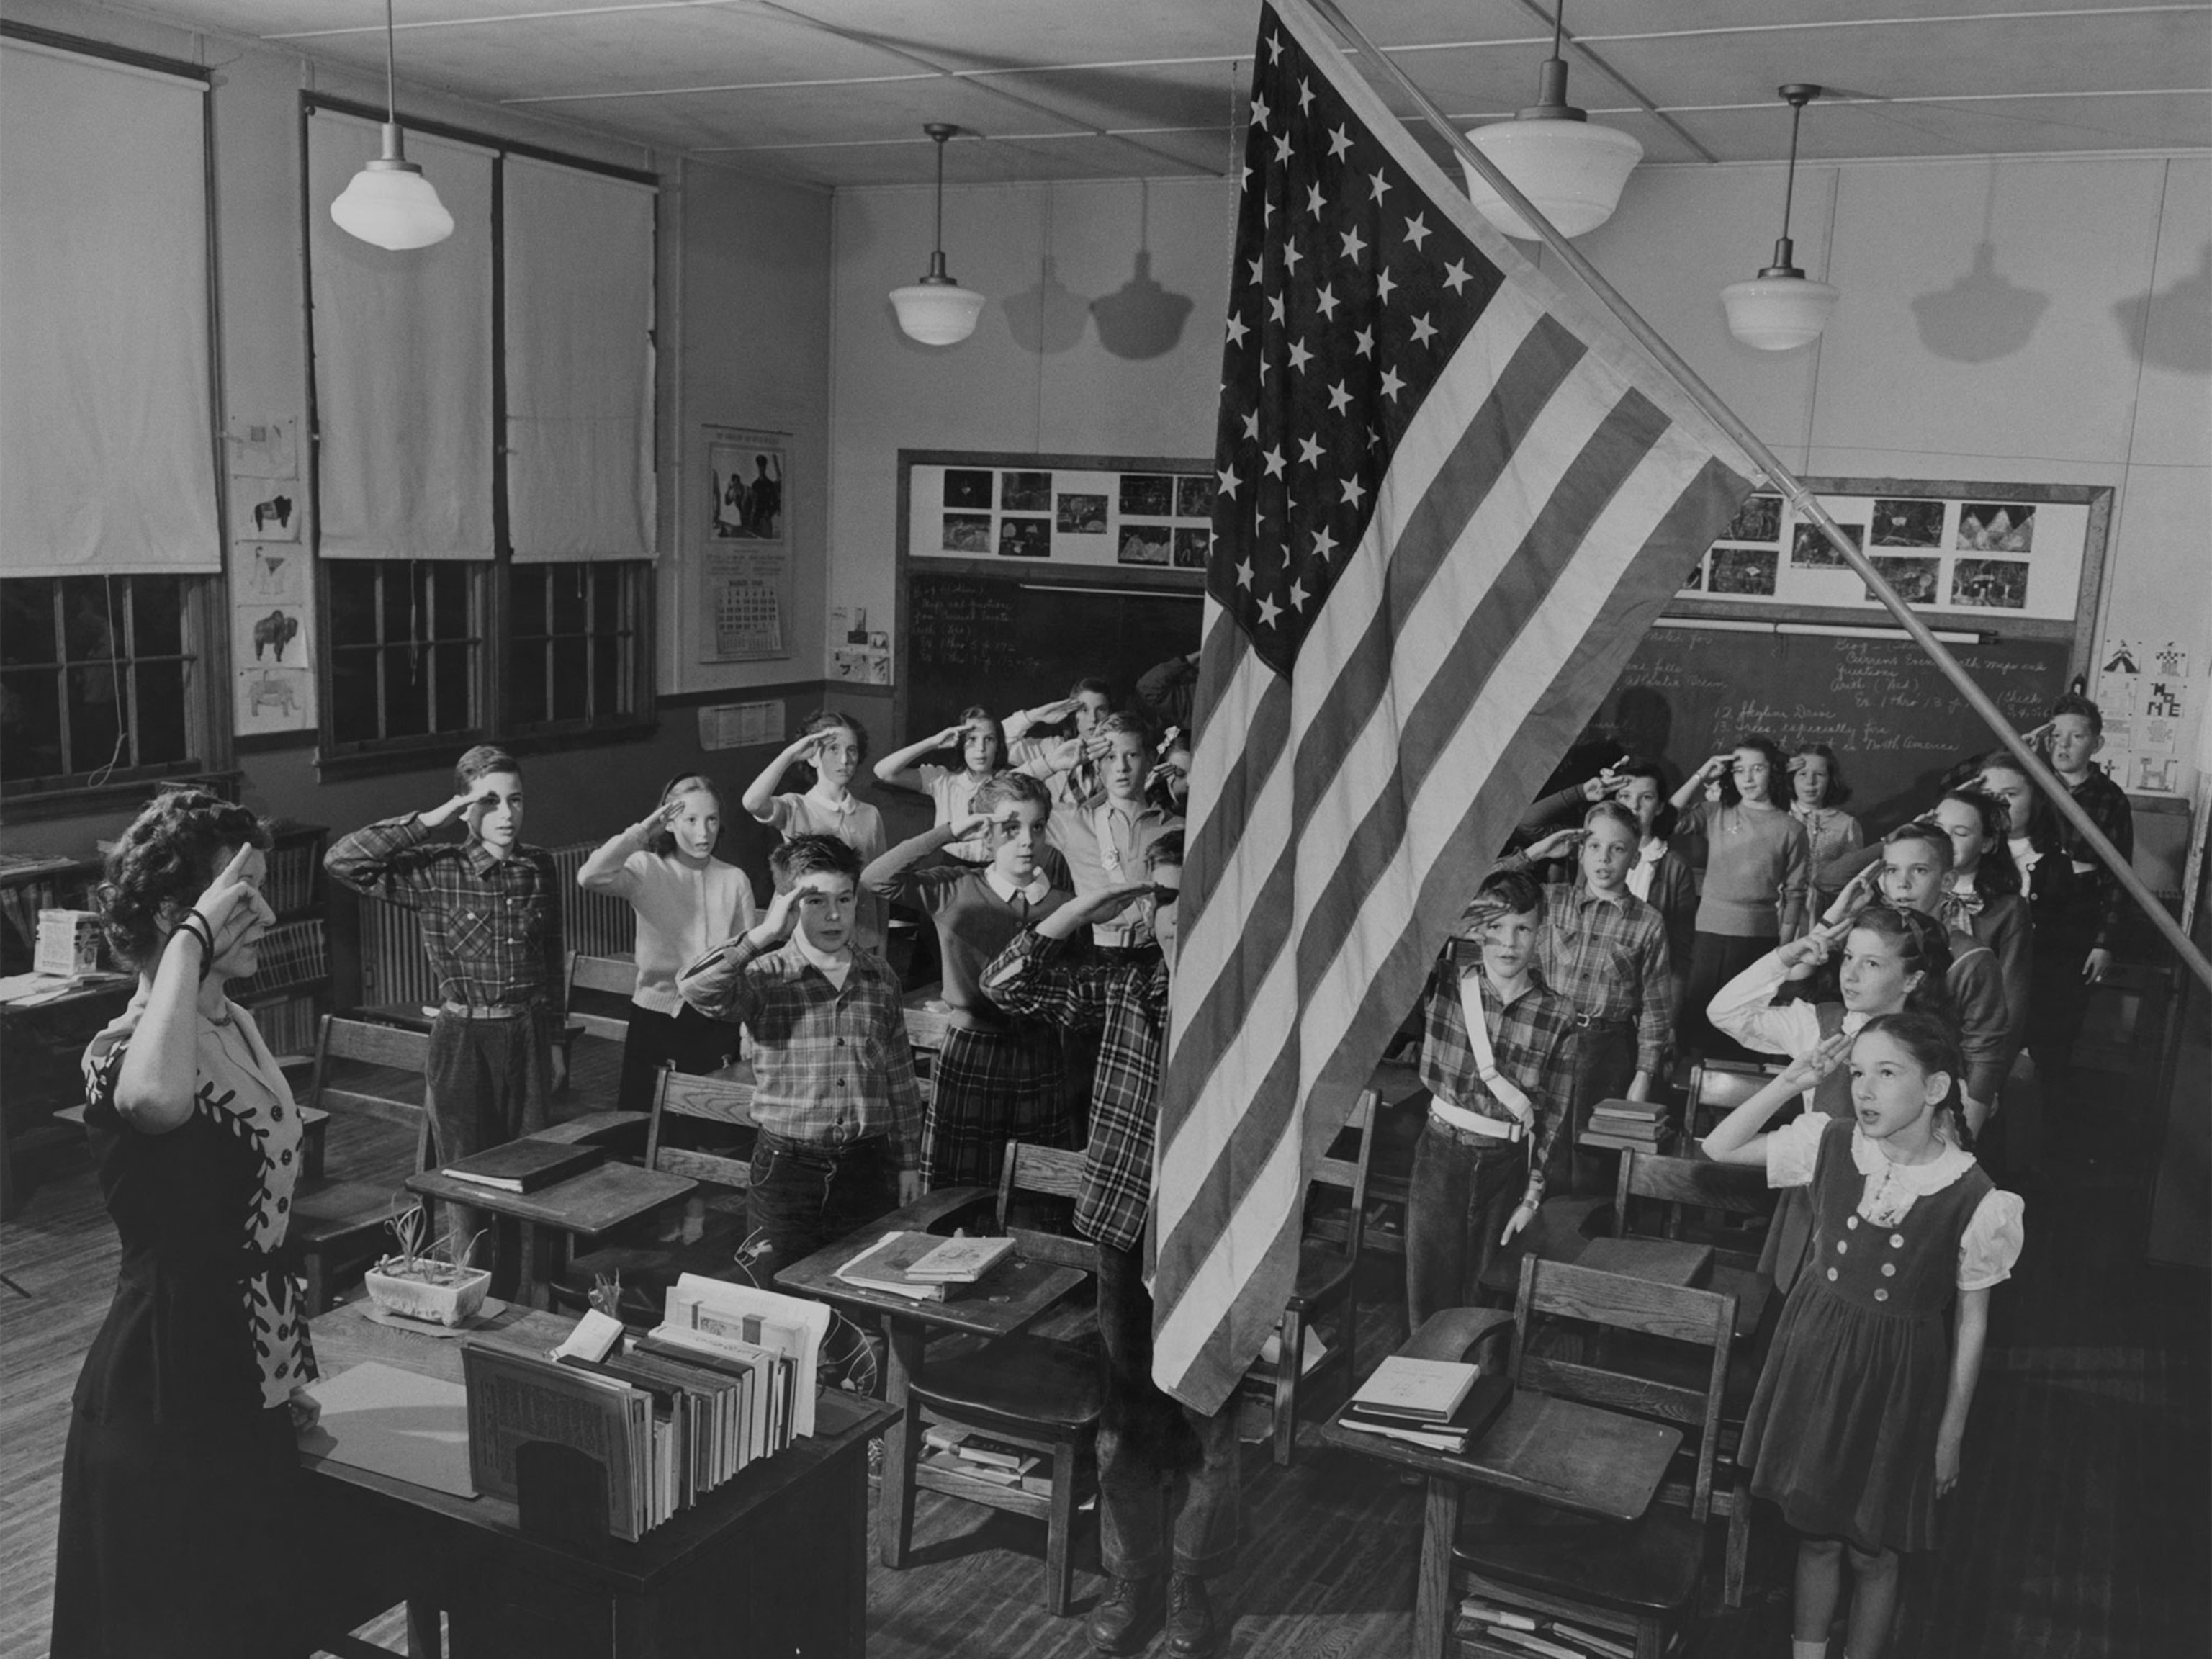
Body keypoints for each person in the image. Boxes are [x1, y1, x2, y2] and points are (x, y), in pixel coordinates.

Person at [55, 792, 319, 1659]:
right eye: (243, 896)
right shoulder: (124, 1048)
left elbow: (263, 1240)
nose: (269, 916)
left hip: (243, 1375)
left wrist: (288, 1376)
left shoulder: (235, 1021)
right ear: (180, 915)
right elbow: (158, 1102)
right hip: (163, 1390)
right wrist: (193, 941)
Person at [982, 832, 1238, 1659]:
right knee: (1126, 1414)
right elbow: (1006, 983)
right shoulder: (1122, 985)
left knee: (1207, 1419)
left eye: (1191, 898)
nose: (1175, 916)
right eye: (1162, 899)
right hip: (1129, 1226)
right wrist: (1091, 902)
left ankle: (1188, 1586)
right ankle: (1134, 1580)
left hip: (1215, 1233)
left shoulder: (1253, 1000)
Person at [1702, 1012, 2023, 1659]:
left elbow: (1973, 1322)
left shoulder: (1977, 1196)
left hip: (1898, 1381)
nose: (1864, 1090)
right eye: (1857, 1074)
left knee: (1873, 1551)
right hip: (1814, 1360)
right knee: (1815, 1536)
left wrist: (1950, 1435)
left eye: (1886, 1073)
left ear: (1935, 1089)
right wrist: (1792, 1080)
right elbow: (1719, 1147)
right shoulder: (1830, 1142)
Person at [325, 746, 564, 1290]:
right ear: (466, 808)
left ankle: (527, 1296)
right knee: (465, 1177)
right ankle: (471, 1290)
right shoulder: (435, 870)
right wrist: (431, 819)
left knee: (531, 1171)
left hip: (525, 1033)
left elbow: (551, 959)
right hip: (461, 1039)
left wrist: (552, 1044)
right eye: (489, 802)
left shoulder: (539, 866)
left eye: (515, 800)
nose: (505, 814)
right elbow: (342, 860)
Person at [675, 836, 923, 1285]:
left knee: (860, 1292)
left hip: (867, 1169)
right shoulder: (766, 976)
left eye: (844, 899)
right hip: (787, 1171)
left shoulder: (878, 977)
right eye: (815, 901)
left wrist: (908, 1162)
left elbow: (900, 1079)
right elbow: (696, 988)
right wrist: (762, 936)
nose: (833, 915)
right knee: (776, 1297)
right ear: (789, 904)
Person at [1707, 904, 1956, 1291]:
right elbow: (1724, 1012)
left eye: (1871, 964)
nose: (1851, 975)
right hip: (1812, 1201)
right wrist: (1784, 957)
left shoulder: (1925, 1055)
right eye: (1848, 958)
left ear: (1912, 979)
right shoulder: (1819, 1024)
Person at [862, 771, 1078, 1188]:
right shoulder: (954, 887)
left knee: (1031, 1182)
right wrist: (948, 832)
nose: (1026, 841)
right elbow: (876, 878)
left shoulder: (1065, 906)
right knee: (958, 1182)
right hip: (971, 1048)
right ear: (986, 835)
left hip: (1040, 1049)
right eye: (1010, 829)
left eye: (1036, 828)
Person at [1404, 868, 1576, 1323]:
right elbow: (1405, 936)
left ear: (1541, 933)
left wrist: (1532, 1196)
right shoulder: (1442, 984)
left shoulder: (1558, 1013)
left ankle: (1483, 1391)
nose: (1509, 942)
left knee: (1490, 1301)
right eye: (1495, 927)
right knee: (1429, 1295)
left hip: (1508, 1164)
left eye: (1523, 928)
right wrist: (1458, 919)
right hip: (1440, 1155)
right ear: (1476, 929)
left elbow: (1554, 1115)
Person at [1503, 804, 1677, 1194]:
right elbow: (1472, 893)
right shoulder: (1547, 901)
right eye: (1595, 845)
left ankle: (1576, 1248)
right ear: (1580, 850)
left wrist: (1642, 1079)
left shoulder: (1648, 923)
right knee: (1530, 1151)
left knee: (1590, 1166)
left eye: (1618, 849)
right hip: (1540, 1044)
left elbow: (1655, 1009)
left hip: (1606, 1054)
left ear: (1634, 858)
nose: (1604, 858)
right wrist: (1534, 853)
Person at [577, 774, 757, 1114]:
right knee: (645, 1128)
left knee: (711, 1128)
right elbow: (590, 876)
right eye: (690, 820)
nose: (703, 832)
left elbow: (747, 965)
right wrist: (642, 832)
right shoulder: (647, 869)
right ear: (669, 823)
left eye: (712, 819)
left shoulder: (734, 879)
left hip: (718, 1022)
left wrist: (748, 1032)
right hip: (658, 1022)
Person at [1815, 822, 2010, 1130]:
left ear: (1947, 880)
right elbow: (1826, 881)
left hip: (1934, 1106)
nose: (1902, 884)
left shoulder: (1971, 959)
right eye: (1892, 870)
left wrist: (1965, 1135)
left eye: (1919, 870)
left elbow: (1983, 1056)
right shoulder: (1871, 940)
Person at [1669, 735, 1811, 1056]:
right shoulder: (1718, 812)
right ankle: (1692, 1093)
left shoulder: (1791, 829)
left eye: (1757, 769)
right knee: (1698, 1021)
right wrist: (1701, 774)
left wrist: (1783, 949)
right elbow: (1667, 820)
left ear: (1772, 772)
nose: (1747, 778)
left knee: (1742, 1029)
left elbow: (1795, 892)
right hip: (1707, 933)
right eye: (1739, 769)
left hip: (1758, 938)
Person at [2038, 694, 2136, 1097]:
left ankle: (2048, 1123)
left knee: (2059, 1026)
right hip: (2027, 911)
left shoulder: (2110, 798)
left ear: (2095, 744)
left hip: (2075, 915)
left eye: (2076, 736)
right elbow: (1957, 780)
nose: (2063, 745)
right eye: (2055, 735)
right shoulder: (2031, 784)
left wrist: (2104, 943)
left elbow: (2118, 877)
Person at [743, 711, 889, 955]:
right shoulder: (795, 807)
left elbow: (881, 888)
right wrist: (790, 755)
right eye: (833, 749)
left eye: (851, 750)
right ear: (813, 757)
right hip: (802, 937)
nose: (844, 759)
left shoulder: (870, 815)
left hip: (858, 937)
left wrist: (882, 947)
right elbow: (753, 803)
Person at [1046, 711, 1182, 958]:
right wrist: (1051, 765)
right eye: (1110, 758)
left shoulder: (1180, 828)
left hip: (1162, 954)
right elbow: (988, 804)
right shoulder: (1074, 821)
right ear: (1097, 767)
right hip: (1098, 958)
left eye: (1132, 755)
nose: (1121, 767)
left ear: (1151, 759)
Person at [872, 706, 1009, 864]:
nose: (981, 749)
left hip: (996, 868)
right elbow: (883, 772)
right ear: (960, 743)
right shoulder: (942, 779)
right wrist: (933, 742)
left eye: (989, 739)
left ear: (998, 745)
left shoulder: (1007, 784)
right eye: (972, 739)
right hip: (948, 867)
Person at [1006, 679, 1115, 809]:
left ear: (1111, 713)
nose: (1093, 718)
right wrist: (1034, 716)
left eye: (1101, 709)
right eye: (1084, 710)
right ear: (1073, 714)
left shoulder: (1122, 755)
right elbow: (998, 745)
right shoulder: (1053, 748)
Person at [1789, 743, 1864, 919]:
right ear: (1791, 778)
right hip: (1778, 911)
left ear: (1831, 778)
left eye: (1820, 775)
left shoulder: (1846, 825)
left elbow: (1853, 876)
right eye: (1802, 774)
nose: (1810, 781)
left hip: (1825, 913)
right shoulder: (1778, 816)